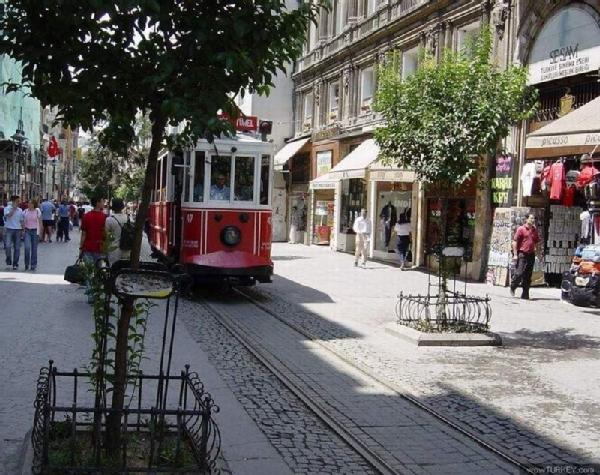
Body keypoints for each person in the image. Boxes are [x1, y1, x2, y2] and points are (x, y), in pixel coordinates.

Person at [510, 214, 540, 300]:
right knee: (519, 273)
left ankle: (525, 293)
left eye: (534, 218)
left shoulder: (534, 230)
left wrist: (537, 253)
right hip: (522, 254)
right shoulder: (521, 229)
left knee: (528, 275)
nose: (533, 220)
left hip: (531, 254)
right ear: (526, 219)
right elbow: (514, 242)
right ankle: (513, 285)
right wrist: (515, 255)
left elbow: (536, 242)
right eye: (531, 218)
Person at [80, 196, 107, 264]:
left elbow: (83, 234)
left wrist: (81, 248)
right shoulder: (105, 217)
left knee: (88, 271)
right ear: (98, 203)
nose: (104, 203)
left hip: (87, 247)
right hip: (99, 248)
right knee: (99, 270)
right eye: (102, 201)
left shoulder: (86, 216)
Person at [105, 198, 132, 265]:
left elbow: (106, 236)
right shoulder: (128, 218)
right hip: (126, 248)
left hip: (113, 250)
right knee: (125, 270)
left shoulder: (109, 220)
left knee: (114, 271)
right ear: (122, 207)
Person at [4, 195, 24, 270]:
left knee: (17, 248)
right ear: (13, 201)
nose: (18, 202)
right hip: (9, 229)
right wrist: (13, 209)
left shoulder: (20, 210)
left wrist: (23, 229)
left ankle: (15, 263)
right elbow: (8, 216)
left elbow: (21, 220)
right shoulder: (7, 208)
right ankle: (8, 258)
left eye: (19, 201)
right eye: (17, 201)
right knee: (8, 246)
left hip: (18, 230)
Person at [22, 199, 42, 271]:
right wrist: (23, 231)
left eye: (31, 204)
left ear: (34, 204)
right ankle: (26, 264)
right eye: (29, 203)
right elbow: (23, 222)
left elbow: (40, 222)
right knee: (27, 248)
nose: (29, 205)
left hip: (35, 231)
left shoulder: (37, 211)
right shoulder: (25, 211)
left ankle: (33, 264)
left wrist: (40, 233)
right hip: (27, 231)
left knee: (34, 249)